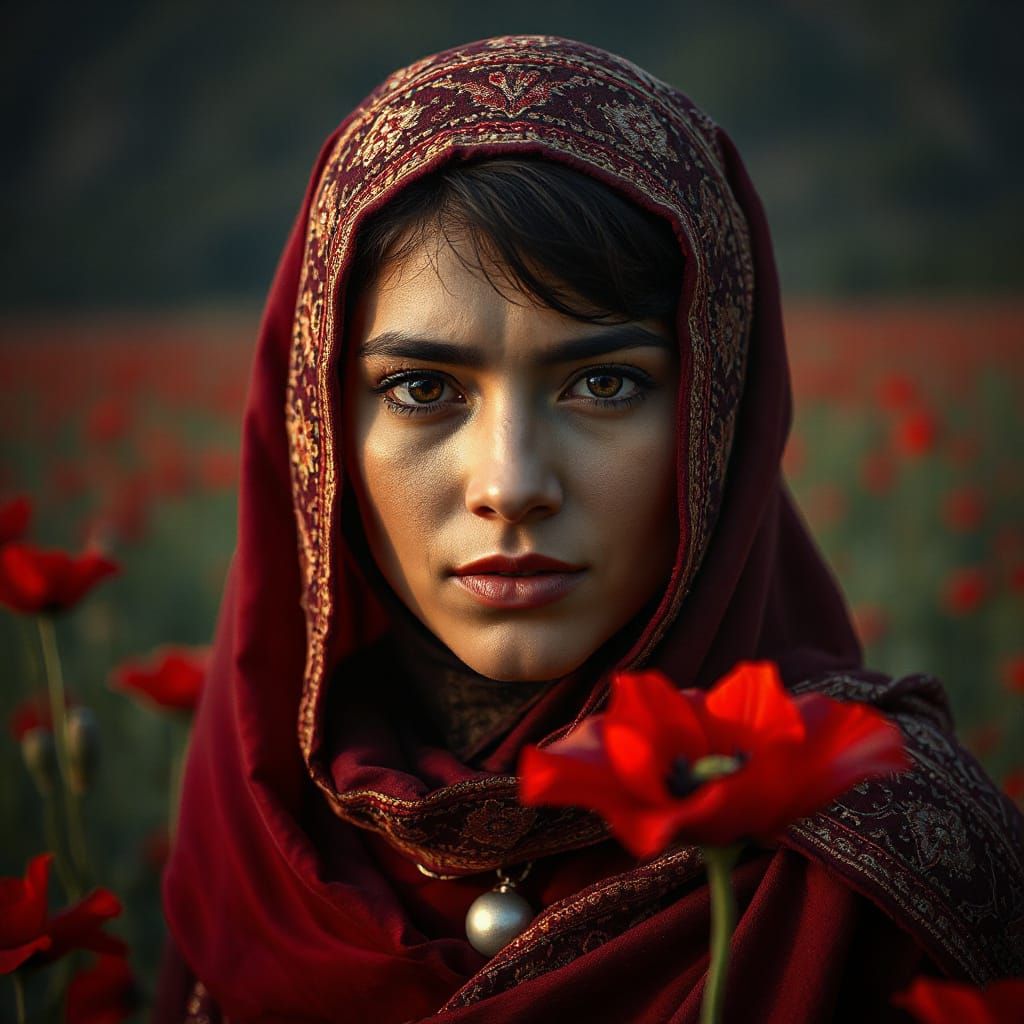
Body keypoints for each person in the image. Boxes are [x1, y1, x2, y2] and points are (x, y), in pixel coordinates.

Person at [154, 35, 1023, 1023]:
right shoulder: (261, 841)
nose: (511, 484)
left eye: (603, 383)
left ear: (716, 421)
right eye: (422, 387)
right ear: (317, 436)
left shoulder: (889, 868)